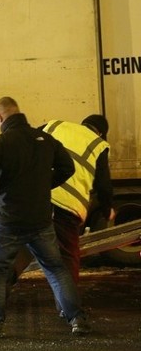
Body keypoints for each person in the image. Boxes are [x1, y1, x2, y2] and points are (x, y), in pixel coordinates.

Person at [0, 96, 90, 338]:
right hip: (40, 221)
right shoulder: (44, 140)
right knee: (56, 268)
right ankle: (77, 319)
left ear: (0, 117)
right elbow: (68, 168)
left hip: (7, 220)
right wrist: (45, 186)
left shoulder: (1, 143)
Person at [41, 115, 115, 284]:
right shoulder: (98, 144)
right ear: (101, 133)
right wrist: (107, 209)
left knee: (20, 252)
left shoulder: (56, 124)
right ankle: (69, 308)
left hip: (37, 200)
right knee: (68, 257)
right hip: (67, 209)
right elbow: (103, 184)